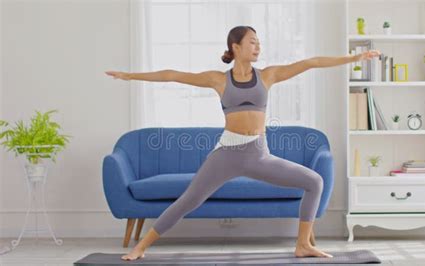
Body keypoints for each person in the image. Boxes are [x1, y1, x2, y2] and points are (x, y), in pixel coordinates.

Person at [105, 25, 380, 261]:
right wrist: (130, 76)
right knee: (187, 201)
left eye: (259, 42)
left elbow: (311, 62)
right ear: (235, 47)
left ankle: (303, 245)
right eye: (252, 42)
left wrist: (355, 57)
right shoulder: (218, 79)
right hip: (226, 155)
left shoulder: (268, 75)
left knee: (315, 182)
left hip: (260, 155)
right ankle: (141, 247)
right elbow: (172, 75)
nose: (258, 46)